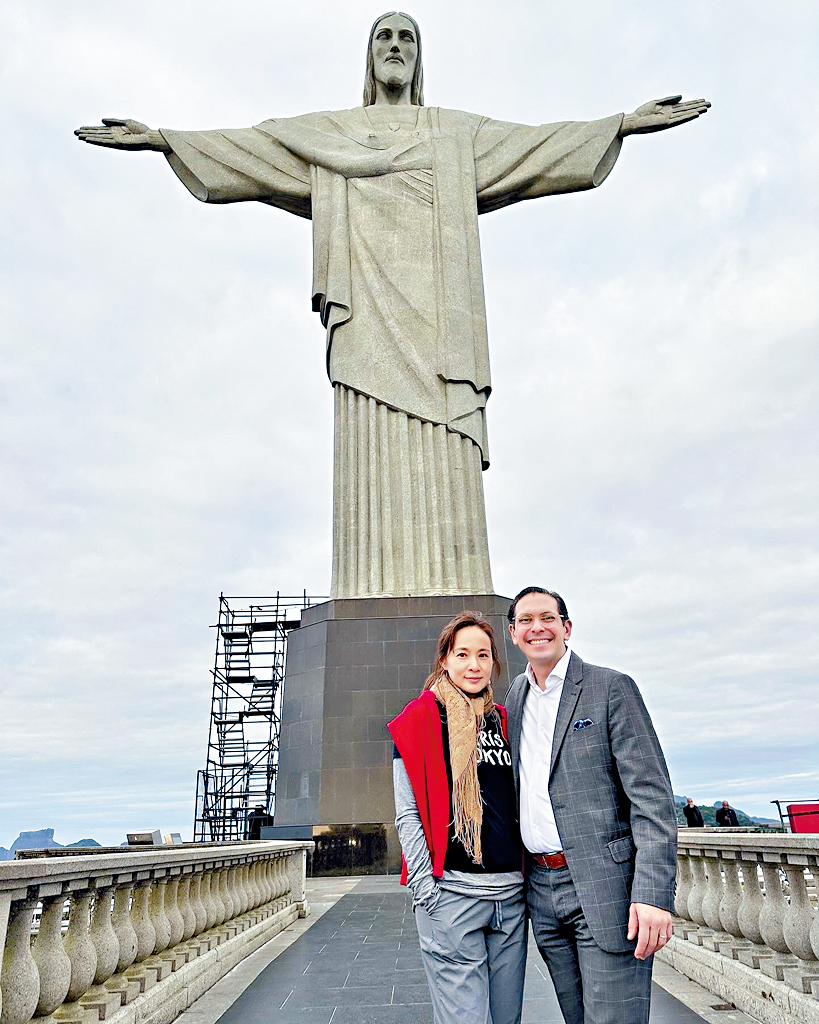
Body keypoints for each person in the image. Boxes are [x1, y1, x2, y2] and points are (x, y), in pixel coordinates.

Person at [75, 13, 709, 602]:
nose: (396, 48)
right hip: (366, 320)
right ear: (369, 58)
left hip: (441, 323)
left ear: (420, 57)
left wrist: (621, 124)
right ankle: (367, 589)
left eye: (407, 38)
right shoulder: (331, 136)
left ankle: (456, 587)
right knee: (369, 457)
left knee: (445, 447)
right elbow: (254, 151)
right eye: (385, 38)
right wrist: (163, 140)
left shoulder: (456, 133)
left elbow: (535, 148)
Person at [504, 587, 677, 1024]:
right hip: (542, 890)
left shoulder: (610, 688)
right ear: (513, 633)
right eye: (525, 620)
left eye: (547, 617)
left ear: (567, 627)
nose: (537, 627)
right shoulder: (514, 699)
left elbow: (652, 799)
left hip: (606, 888)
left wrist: (653, 895)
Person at [388, 612, 526, 1024]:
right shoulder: (420, 718)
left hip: (511, 899)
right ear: (444, 659)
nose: (474, 665)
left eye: (483, 655)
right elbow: (407, 814)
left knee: (507, 1018)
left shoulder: (504, 720)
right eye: (462, 654)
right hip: (452, 895)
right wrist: (426, 890)